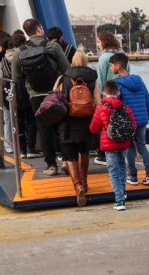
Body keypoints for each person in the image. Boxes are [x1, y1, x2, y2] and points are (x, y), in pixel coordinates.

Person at [10, 17, 69, 175]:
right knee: (61, 126)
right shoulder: (53, 46)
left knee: (43, 129)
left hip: (35, 95)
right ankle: (66, 160)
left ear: (27, 33)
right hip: (55, 93)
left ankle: (51, 165)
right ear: (39, 29)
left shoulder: (19, 52)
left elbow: (16, 77)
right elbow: (66, 69)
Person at [109, 52, 149, 185]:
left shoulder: (117, 84)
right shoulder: (138, 80)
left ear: (118, 66)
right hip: (142, 119)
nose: (110, 68)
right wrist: (146, 116)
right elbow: (148, 100)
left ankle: (133, 175)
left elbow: (116, 104)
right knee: (141, 145)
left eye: (111, 65)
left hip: (128, 121)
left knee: (129, 147)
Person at [90, 80, 137, 211]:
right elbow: (133, 126)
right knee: (122, 166)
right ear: (118, 93)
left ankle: (119, 200)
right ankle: (123, 191)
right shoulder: (125, 108)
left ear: (104, 93)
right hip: (124, 143)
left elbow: (93, 128)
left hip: (109, 144)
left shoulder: (101, 108)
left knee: (113, 171)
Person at [59, 49, 98, 206]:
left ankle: (78, 185)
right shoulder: (92, 78)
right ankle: (85, 181)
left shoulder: (65, 77)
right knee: (84, 150)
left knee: (70, 154)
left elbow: (58, 97)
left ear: (72, 61)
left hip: (69, 121)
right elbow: (97, 101)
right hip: (87, 121)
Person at [94, 30, 122, 165]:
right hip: (119, 94)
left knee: (105, 124)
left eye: (99, 41)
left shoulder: (104, 58)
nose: (97, 44)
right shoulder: (121, 56)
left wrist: (98, 96)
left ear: (104, 42)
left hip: (107, 94)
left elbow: (100, 79)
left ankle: (103, 154)